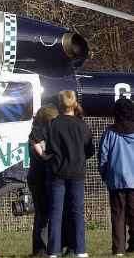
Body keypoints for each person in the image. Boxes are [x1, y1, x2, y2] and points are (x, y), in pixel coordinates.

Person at [46, 90, 94, 258]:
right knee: (77, 212)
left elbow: (49, 149)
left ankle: (53, 250)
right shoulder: (82, 125)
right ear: (74, 103)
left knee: (56, 212)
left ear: (60, 104)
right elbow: (90, 150)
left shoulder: (53, 124)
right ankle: (80, 250)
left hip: (57, 173)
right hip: (77, 173)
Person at [99, 98, 134, 256]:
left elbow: (103, 156)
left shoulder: (110, 132)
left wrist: (105, 175)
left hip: (116, 180)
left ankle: (118, 249)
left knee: (118, 215)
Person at [27, 104, 59, 257]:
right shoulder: (39, 132)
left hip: (36, 176)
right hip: (41, 176)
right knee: (43, 214)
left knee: (42, 214)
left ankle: (40, 248)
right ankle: (41, 249)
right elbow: (43, 153)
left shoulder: (37, 130)